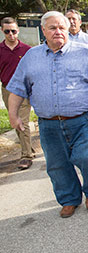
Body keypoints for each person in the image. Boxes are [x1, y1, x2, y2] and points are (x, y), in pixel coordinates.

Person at [7, 11, 88, 218]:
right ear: (43, 30)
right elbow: (17, 88)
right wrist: (13, 115)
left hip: (83, 121)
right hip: (49, 125)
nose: (58, 32)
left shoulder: (85, 53)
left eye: (62, 28)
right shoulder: (31, 57)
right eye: (53, 28)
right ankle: (69, 199)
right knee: (57, 165)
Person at [0, 17, 34, 169]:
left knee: (24, 122)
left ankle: (26, 155)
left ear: (18, 30)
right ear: (2, 31)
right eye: (7, 31)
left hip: (23, 90)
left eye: (13, 31)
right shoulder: (0, 50)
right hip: (7, 89)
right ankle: (27, 147)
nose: (11, 34)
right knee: (15, 120)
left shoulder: (27, 50)